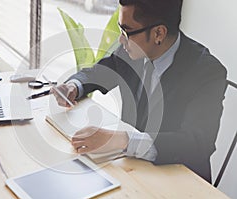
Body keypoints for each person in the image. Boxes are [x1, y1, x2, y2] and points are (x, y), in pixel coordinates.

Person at [51, 0, 227, 183]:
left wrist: (123, 140)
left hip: (180, 181)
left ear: (159, 33)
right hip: (131, 170)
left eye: (126, 32)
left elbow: (196, 143)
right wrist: (74, 86)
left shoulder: (208, 72)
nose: (121, 40)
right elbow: (101, 72)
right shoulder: (134, 49)